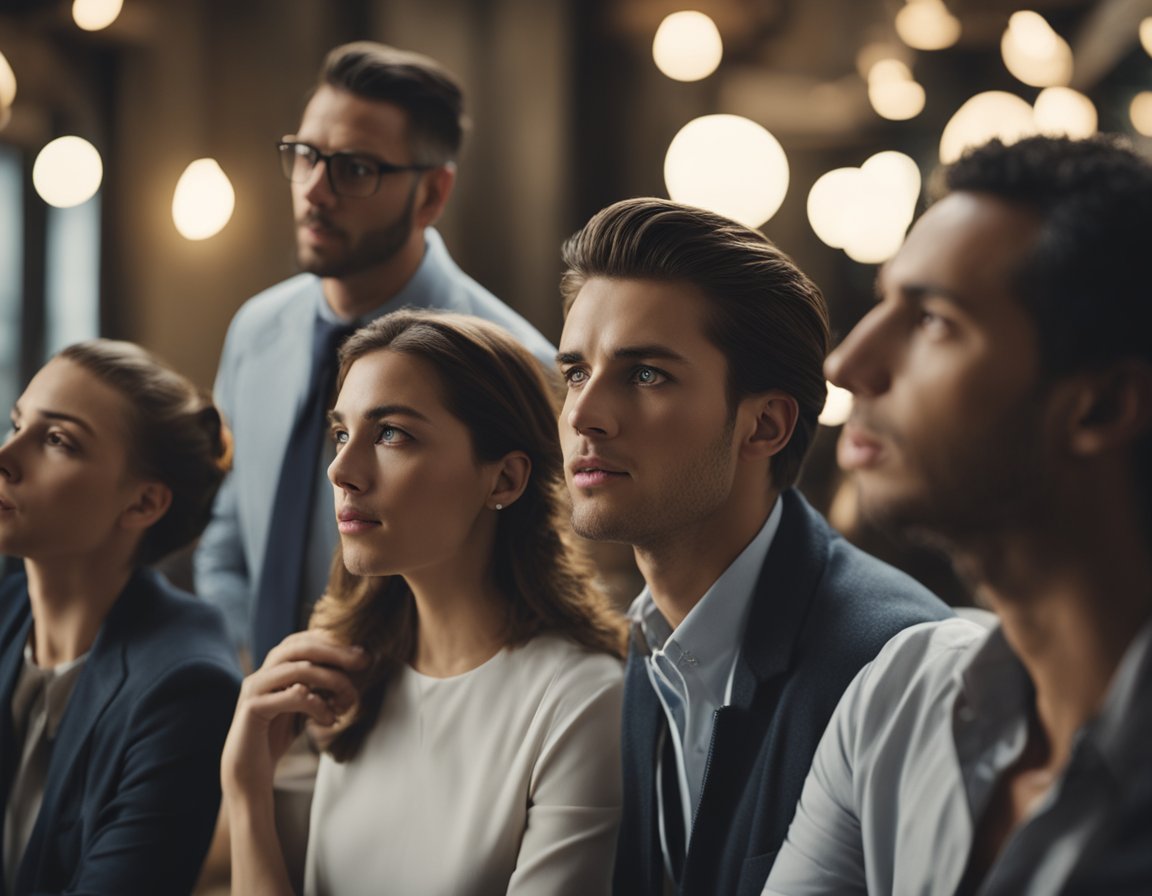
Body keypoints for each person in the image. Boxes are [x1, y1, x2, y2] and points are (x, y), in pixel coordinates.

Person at [762, 134, 1152, 896]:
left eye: (935, 320)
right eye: (882, 304)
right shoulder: (897, 702)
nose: (847, 364)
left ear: (1099, 406)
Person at [555, 198, 952, 896]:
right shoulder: (645, 640)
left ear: (764, 425)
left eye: (645, 374)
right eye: (576, 372)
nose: (585, 415)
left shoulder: (891, 668)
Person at [222, 310, 627, 895]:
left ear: (504, 480)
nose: (341, 469)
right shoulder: (345, 674)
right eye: (342, 433)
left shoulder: (580, 702)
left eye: (391, 434)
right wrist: (245, 788)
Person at [194, 41, 555, 665]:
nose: (315, 189)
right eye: (305, 155)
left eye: (355, 169)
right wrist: (247, 664)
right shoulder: (256, 331)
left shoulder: (518, 365)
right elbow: (226, 537)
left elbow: (546, 584)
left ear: (431, 195)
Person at [0, 340, 241, 894]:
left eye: (57, 440)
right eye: (17, 423)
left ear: (142, 504)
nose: (7, 456)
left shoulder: (187, 686)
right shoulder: (9, 615)